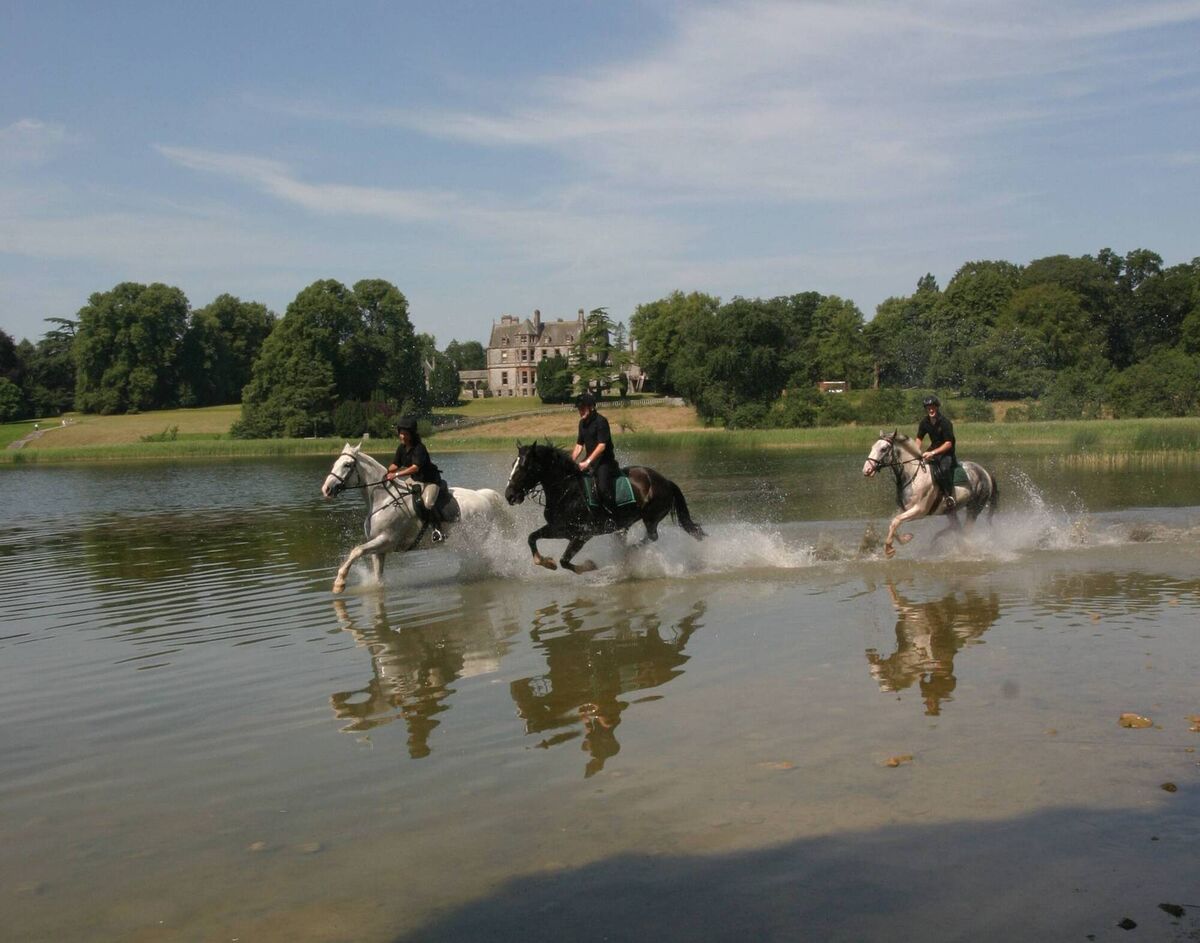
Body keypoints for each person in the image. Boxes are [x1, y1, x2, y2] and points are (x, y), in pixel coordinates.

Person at [386, 417, 448, 541]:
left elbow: (415, 468)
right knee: (399, 495)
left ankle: (438, 531)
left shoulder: (419, 448)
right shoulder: (401, 448)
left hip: (430, 481)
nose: (402, 436)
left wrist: (396, 475)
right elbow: (395, 465)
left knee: (427, 503)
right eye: (401, 433)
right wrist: (385, 472)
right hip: (415, 480)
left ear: (411, 435)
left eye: (405, 433)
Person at [571, 392, 619, 515]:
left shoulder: (601, 421)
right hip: (590, 461)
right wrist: (571, 461)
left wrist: (587, 462)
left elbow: (602, 446)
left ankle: (614, 517)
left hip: (605, 462)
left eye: (582, 408)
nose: (580, 411)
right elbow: (579, 445)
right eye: (579, 409)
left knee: (602, 489)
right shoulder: (582, 423)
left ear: (591, 407)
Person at [916, 394, 958, 511]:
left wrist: (932, 453)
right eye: (928, 407)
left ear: (937, 407)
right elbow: (919, 438)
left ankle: (949, 496)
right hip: (933, 450)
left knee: (944, 469)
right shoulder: (924, 422)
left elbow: (948, 443)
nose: (930, 409)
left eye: (933, 407)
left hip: (946, 453)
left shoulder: (945, 422)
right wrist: (916, 451)